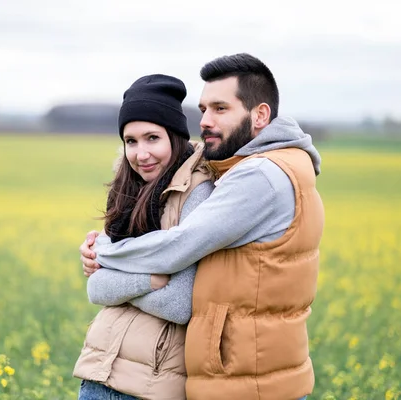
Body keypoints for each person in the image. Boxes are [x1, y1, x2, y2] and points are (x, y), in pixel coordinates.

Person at [81, 53, 324, 400]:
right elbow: (98, 289)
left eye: (220, 109)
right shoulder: (272, 165)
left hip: (252, 383)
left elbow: (178, 248)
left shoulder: (260, 175)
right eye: (203, 108)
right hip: (253, 375)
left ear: (260, 114)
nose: (206, 120)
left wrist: (105, 252)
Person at [73, 74, 215, 400]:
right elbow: (96, 288)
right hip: (99, 372)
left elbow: (179, 303)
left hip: (151, 384)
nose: (141, 154)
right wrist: (149, 280)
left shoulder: (199, 192)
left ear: (176, 137)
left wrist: (115, 275)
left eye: (152, 138)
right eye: (131, 141)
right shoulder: (128, 190)